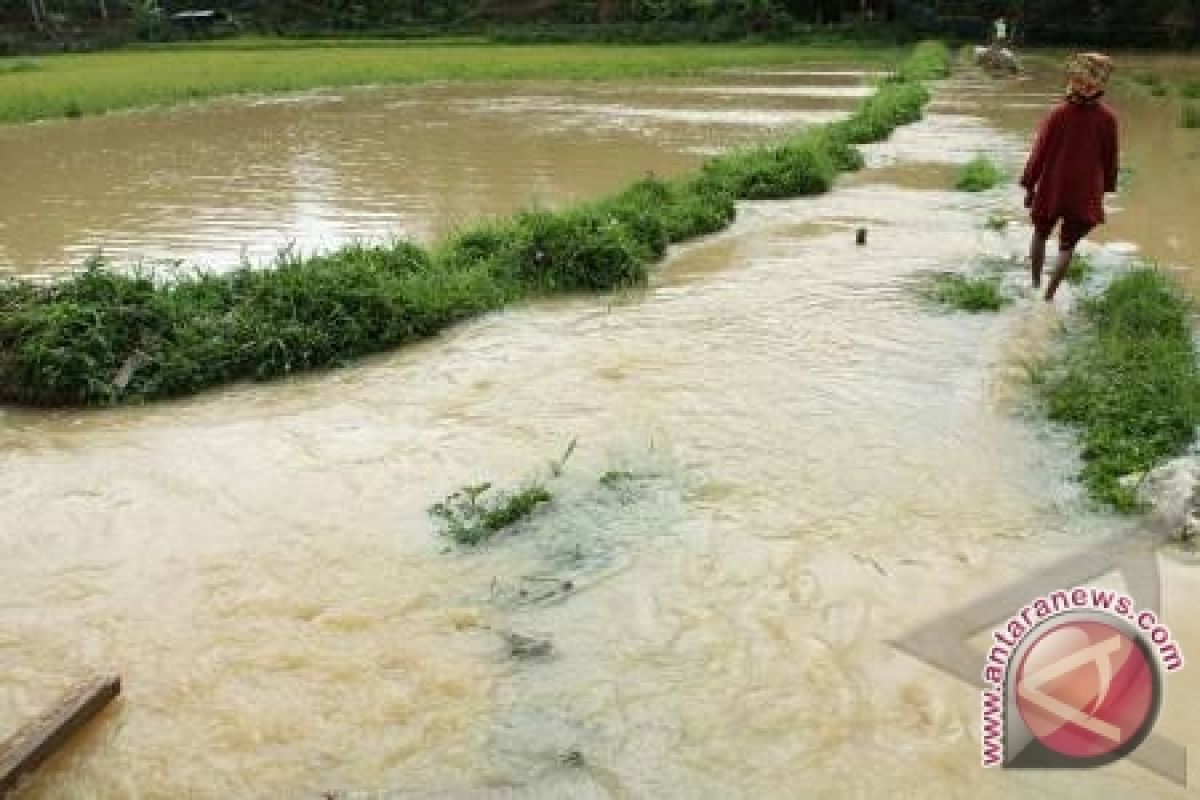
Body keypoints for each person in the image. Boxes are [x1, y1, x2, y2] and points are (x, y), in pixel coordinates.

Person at [1020, 53, 1119, 301]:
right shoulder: (1108, 119)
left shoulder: (1058, 113)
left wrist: (1029, 184)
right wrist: (1105, 189)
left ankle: (1034, 287)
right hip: (1085, 191)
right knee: (1068, 245)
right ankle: (1048, 297)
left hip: (1054, 185)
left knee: (1040, 233)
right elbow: (1111, 158)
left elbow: (1039, 152)